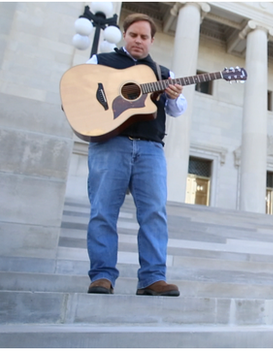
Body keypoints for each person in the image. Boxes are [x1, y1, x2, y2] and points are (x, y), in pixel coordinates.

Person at [85, 13, 187, 296]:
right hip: (110, 144)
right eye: (133, 35)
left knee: (154, 212)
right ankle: (102, 275)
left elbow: (178, 111)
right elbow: (80, 88)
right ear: (124, 35)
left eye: (144, 37)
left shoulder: (163, 73)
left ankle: (152, 278)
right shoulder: (101, 61)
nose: (138, 41)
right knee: (103, 210)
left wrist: (174, 96)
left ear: (152, 41)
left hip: (150, 148)